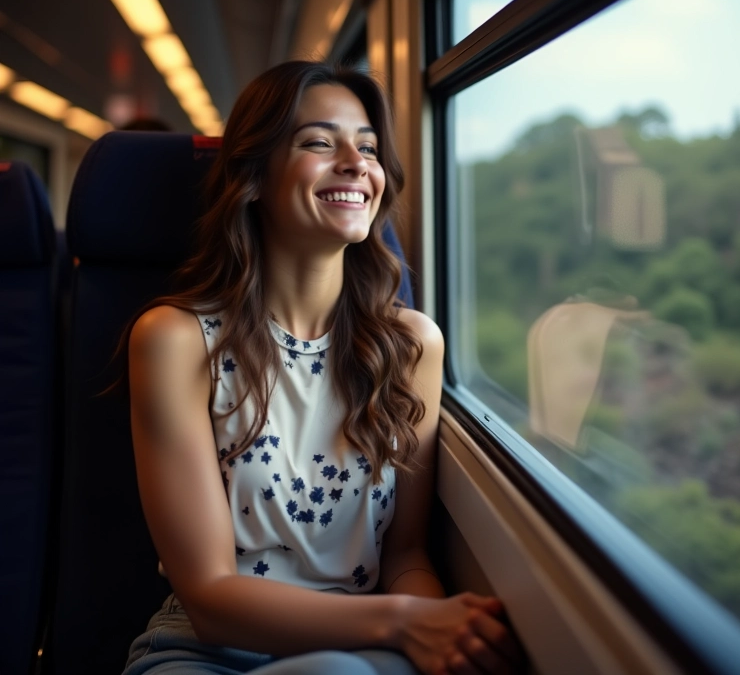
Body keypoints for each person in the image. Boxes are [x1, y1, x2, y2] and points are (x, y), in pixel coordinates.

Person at [122, 61, 519, 675]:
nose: (357, 163)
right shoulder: (176, 340)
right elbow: (209, 596)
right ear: (255, 176)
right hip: (204, 653)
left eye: (368, 147)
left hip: (359, 647)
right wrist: (404, 623)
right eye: (318, 142)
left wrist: (443, 634)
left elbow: (405, 556)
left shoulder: (412, 346)